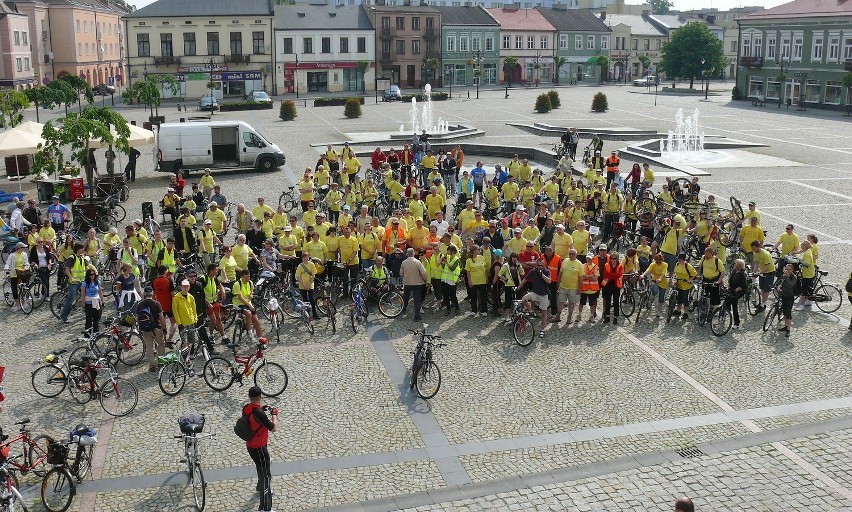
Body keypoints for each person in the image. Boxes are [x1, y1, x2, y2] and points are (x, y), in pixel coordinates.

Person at [243, 386, 278, 512]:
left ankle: (260, 487)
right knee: (266, 475)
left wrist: (262, 409)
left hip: (250, 445)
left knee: (260, 467)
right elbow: (273, 428)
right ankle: (265, 508)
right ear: (260, 397)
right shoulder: (259, 413)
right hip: (259, 447)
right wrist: (274, 414)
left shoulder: (247, 408)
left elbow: (254, 418)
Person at [519, 258, 551, 337]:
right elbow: (525, 279)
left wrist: (542, 275)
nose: (540, 267)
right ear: (536, 265)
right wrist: (519, 287)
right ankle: (531, 310)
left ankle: (542, 329)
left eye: (542, 265)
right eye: (539, 265)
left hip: (543, 294)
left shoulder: (546, 271)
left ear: (544, 265)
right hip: (535, 292)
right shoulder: (533, 271)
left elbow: (549, 281)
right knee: (524, 299)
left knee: (544, 313)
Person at [233, 269, 264, 340]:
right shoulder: (237, 284)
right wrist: (250, 306)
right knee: (248, 313)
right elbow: (241, 298)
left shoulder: (250, 282)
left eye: (249, 276)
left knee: (256, 320)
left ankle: (260, 338)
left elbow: (252, 290)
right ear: (242, 277)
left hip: (248, 303)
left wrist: (251, 294)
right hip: (239, 304)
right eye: (246, 277)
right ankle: (250, 333)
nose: (248, 278)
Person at [400, 248, 428, 321]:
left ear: (407, 254)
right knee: (417, 300)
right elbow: (424, 273)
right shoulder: (418, 262)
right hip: (417, 283)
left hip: (407, 283)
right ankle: (416, 315)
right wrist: (425, 279)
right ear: (413, 253)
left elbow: (401, 273)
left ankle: (403, 309)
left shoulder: (404, 262)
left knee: (406, 297)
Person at [172, 279, 198, 349]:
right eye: (184, 286)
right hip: (182, 323)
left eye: (187, 286)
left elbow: (194, 309)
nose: (185, 288)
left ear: (189, 287)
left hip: (191, 322)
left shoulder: (191, 297)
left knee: (191, 340)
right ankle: (184, 355)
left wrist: (195, 319)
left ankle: (189, 355)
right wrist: (179, 323)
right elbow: (175, 311)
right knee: (184, 341)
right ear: (181, 287)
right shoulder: (176, 298)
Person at [81, 268, 105, 334]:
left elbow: (100, 292)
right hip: (88, 303)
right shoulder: (84, 284)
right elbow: (83, 295)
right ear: (88, 275)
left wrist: (103, 301)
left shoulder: (97, 282)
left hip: (96, 302)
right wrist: (83, 305)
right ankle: (87, 335)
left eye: (94, 274)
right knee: (88, 320)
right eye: (91, 275)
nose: (93, 276)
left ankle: (96, 334)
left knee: (96, 320)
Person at [726, 259, 748, 329]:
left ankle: (736, 323)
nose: (734, 265)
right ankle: (726, 310)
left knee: (734, 304)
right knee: (726, 297)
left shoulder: (742, 274)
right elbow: (730, 279)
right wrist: (728, 286)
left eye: (735, 264)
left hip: (739, 290)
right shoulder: (734, 271)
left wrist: (735, 290)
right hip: (733, 288)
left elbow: (743, 286)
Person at [778, 263, 797, 337]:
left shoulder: (794, 277)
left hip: (790, 296)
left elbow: (790, 286)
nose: (787, 271)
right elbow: (781, 284)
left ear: (792, 270)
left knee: (788, 313)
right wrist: (779, 287)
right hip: (784, 295)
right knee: (785, 312)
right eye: (786, 269)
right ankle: (786, 326)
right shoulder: (784, 275)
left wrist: (786, 277)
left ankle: (788, 329)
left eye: (789, 269)